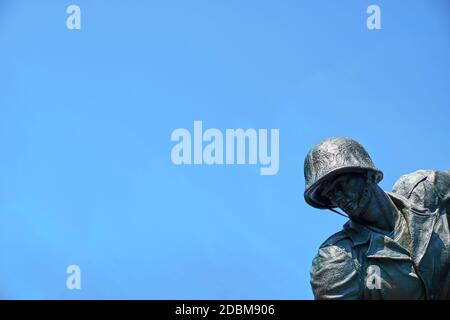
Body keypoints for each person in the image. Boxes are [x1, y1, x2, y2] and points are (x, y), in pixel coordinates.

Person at [304, 137, 449, 299]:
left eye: (341, 184)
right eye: (330, 194)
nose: (338, 197)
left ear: (369, 175)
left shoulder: (426, 191)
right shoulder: (336, 257)